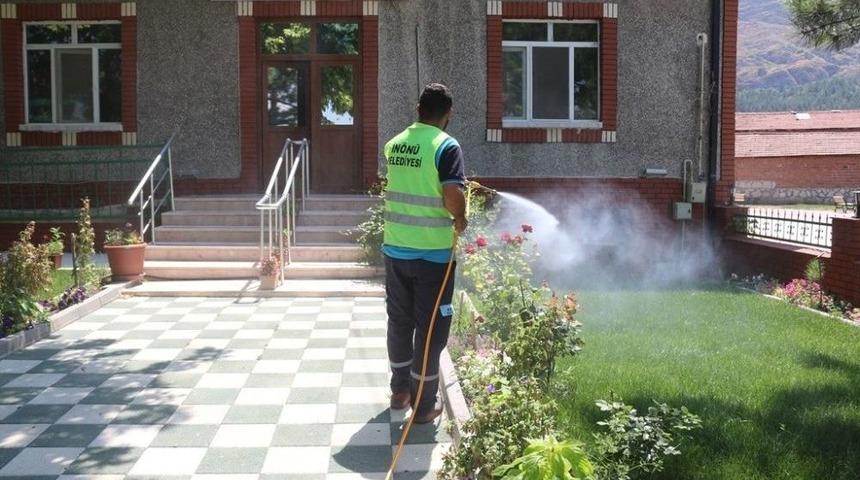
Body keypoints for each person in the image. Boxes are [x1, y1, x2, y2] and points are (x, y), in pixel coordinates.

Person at [382, 83, 467, 424]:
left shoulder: (395, 144)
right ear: (447, 115)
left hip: (396, 250)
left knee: (400, 323)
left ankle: (400, 390)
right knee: (431, 330)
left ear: (418, 109)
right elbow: (451, 194)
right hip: (432, 255)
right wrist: (460, 218)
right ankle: (423, 404)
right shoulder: (446, 146)